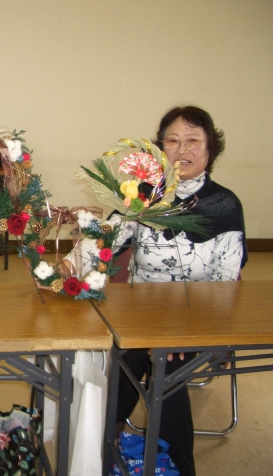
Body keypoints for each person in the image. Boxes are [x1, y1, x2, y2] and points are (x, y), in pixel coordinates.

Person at [68, 105, 246, 475]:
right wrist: (67, 265)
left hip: (203, 319)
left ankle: (179, 464)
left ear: (210, 148)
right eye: (173, 141)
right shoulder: (144, 197)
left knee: (168, 364)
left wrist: (185, 329)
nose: (183, 150)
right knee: (128, 350)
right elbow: (104, 241)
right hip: (143, 317)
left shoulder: (226, 205)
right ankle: (106, 445)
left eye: (193, 140)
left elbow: (226, 284)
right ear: (161, 149)